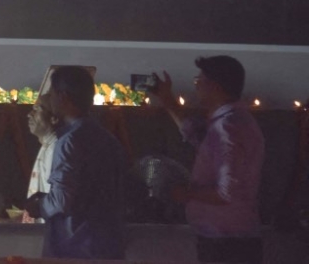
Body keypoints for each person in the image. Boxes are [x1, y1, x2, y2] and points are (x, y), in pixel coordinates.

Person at [151, 56, 265, 264]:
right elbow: (195, 135)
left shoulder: (228, 129)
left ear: (214, 86)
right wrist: (167, 99)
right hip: (232, 238)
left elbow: (225, 192)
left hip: (226, 245)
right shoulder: (232, 122)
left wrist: (185, 193)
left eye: (198, 81)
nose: (196, 87)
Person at [25, 66, 126, 259]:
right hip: (109, 244)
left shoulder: (68, 141)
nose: (51, 99)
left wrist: (38, 206)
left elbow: (62, 200)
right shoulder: (108, 140)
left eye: (52, 94)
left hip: (74, 248)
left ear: (63, 97)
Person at [22, 96, 60, 223]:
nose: (29, 115)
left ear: (54, 118)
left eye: (37, 109)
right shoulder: (47, 145)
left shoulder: (54, 148)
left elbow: (56, 199)